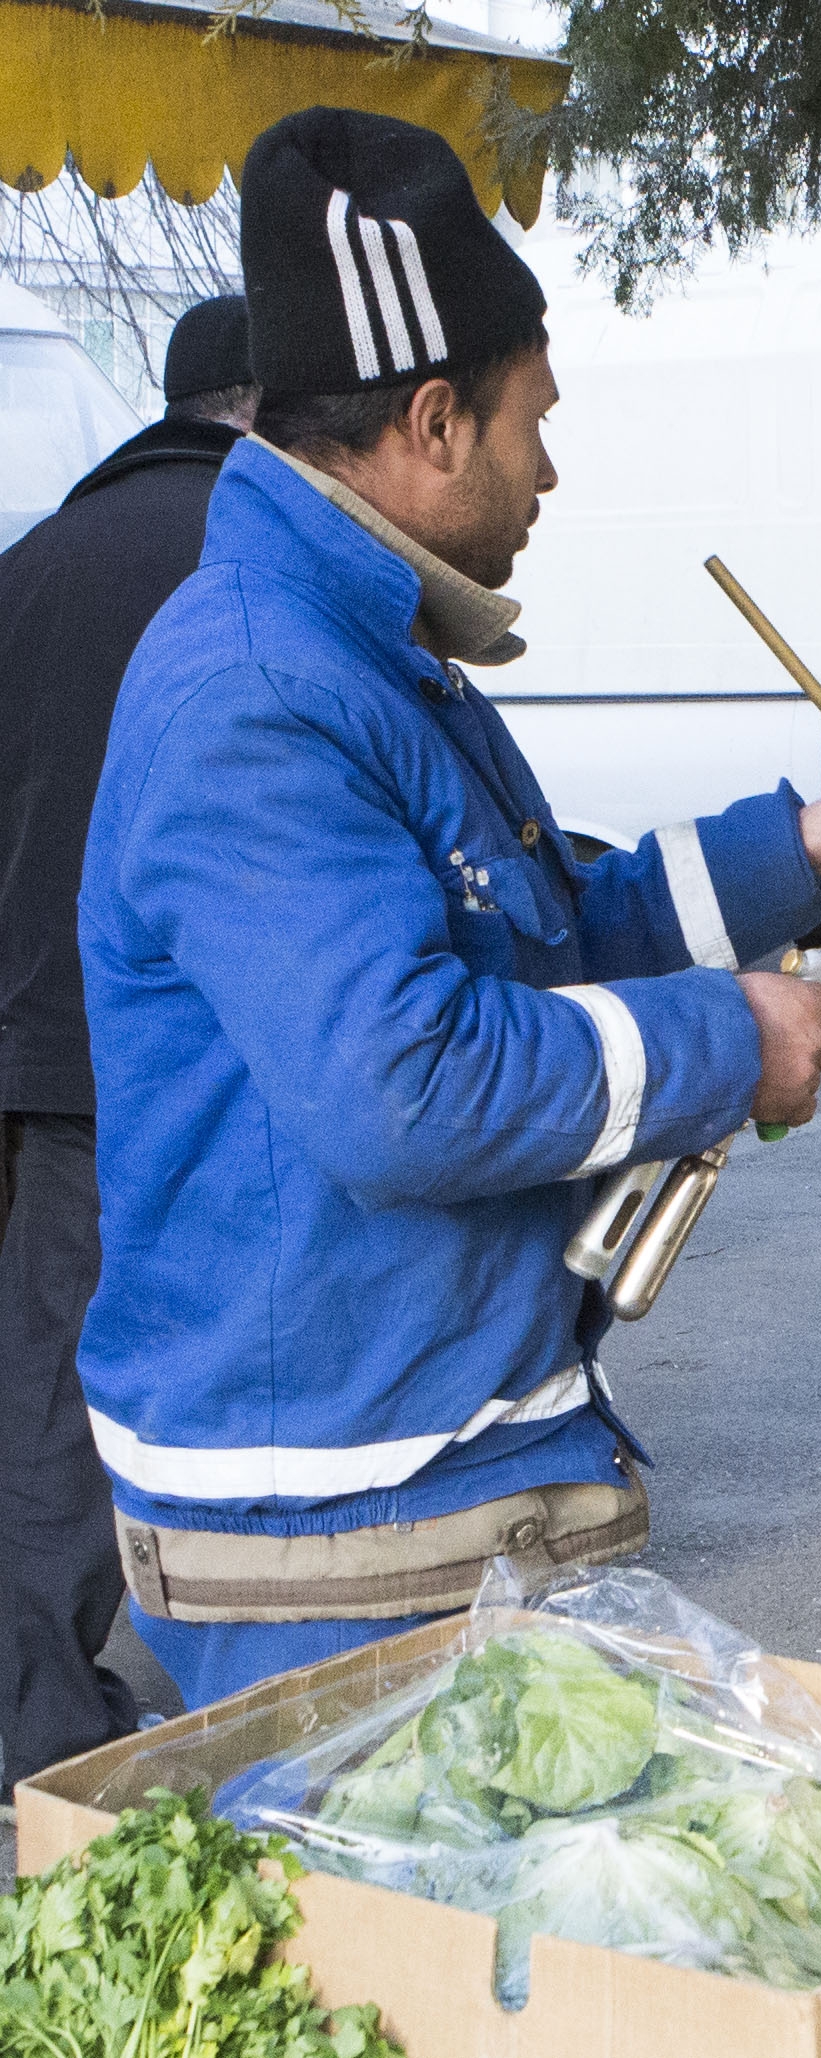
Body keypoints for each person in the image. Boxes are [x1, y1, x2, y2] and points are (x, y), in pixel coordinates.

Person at [78, 107, 821, 1711]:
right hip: (332, 1522)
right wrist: (730, 1040)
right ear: (433, 419)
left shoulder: (364, 647)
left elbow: (547, 934)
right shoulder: (264, 693)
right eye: (529, 423)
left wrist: (809, 850)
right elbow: (403, 1084)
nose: (549, 470)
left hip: (412, 1469)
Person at [0, 295, 256, 1789]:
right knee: (231, 1360)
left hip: (50, 1050)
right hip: (205, 1040)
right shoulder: (250, 565)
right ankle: (64, 1715)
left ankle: (45, 1683)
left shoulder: (30, 567)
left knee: (49, 1376)